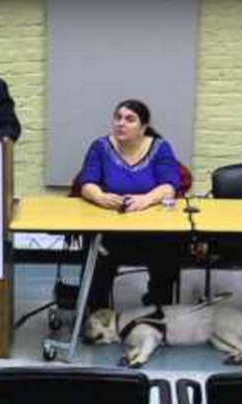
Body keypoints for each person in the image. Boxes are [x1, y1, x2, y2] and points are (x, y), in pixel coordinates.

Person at [77, 99, 182, 311]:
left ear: (143, 127)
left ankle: (158, 308)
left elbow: (169, 186)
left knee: (169, 251)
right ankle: (97, 313)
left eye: (129, 119)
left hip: (153, 229)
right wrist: (100, 197)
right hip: (111, 228)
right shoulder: (100, 146)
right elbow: (86, 183)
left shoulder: (160, 147)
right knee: (96, 252)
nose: (120, 124)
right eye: (117, 118)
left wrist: (146, 199)